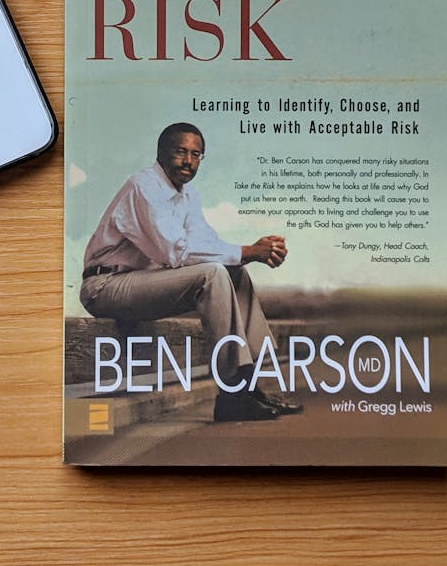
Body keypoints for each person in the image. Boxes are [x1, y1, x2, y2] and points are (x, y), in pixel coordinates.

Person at [80, 122, 303, 422]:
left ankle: (248, 387)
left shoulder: (188, 195)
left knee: (235, 273)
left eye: (196, 154)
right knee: (212, 273)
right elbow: (174, 252)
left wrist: (250, 253)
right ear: (161, 153)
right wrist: (248, 251)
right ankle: (232, 394)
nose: (188, 161)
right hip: (105, 286)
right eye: (181, 152)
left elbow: (207, 243)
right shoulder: (143, 186)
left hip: (140, 283)